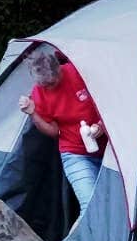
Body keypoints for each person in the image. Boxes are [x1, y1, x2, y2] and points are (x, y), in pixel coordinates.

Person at [17, 45, 107, 218]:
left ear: (59, 69)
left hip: (111, 149)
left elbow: (110, 99)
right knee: (89, 206)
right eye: (44, 85)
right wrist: (33, 113)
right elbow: (54, 132)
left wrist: (100, 126)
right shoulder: (39, 92)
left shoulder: (78, 72)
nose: (48, 87)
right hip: (75, 153)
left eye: (52, 83)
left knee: (116, 202)